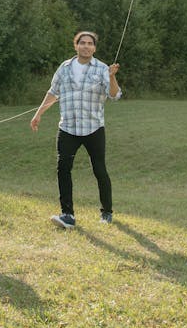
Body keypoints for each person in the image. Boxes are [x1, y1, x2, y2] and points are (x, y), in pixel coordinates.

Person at [30, 30, 121, 228]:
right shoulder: (65, 67)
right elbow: (53, 92)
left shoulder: (102, 68)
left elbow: (114, 95)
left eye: (90, 43)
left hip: (93, 128)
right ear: (76, 46)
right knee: (63, 168)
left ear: (94, 48)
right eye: (83, 43)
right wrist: (38, 114)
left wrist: (112, 77)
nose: (86, 46)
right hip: (68, 127)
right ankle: (67, 215)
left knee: (100, 170)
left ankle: (106, 212)